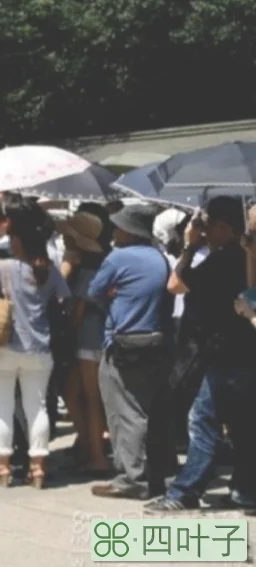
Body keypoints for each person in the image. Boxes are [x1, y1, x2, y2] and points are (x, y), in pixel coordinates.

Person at [147, 197, 256, 512]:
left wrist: (190, 247)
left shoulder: (224, 259)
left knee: (203, 422)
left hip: (223, 353)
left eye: (207, 227)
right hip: (243, 351)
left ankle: (185, 492)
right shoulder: (245, 257)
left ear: (223, 227)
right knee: (243, 426)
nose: (204, 233)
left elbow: (175, 283)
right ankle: (245, 490)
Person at [0, 201, 69, 488]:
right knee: (37, 407)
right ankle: (38, 468)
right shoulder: (46, 267)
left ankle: (4, 467)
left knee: (1, 405)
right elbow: (63, 297)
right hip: (39, 347)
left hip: (3, 346)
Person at [88, 204, 171, 500]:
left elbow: (95, 292)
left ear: (129, 230)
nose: (114, 232)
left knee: (124, 413)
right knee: (141, 410)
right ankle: (146, 471)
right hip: (154, 341)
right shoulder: (160, 258)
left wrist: (113, 297)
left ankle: (131, 477)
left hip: (122, 343)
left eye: (119, 227)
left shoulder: (118, 258)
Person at [55, 211, 110, 475]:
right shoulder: (94, 264)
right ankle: (88, 442)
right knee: (73, 391)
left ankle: (96, 454)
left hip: (89, 337)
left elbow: (79, 307)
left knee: (90, 397)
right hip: (91, 336)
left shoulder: (88, 268)